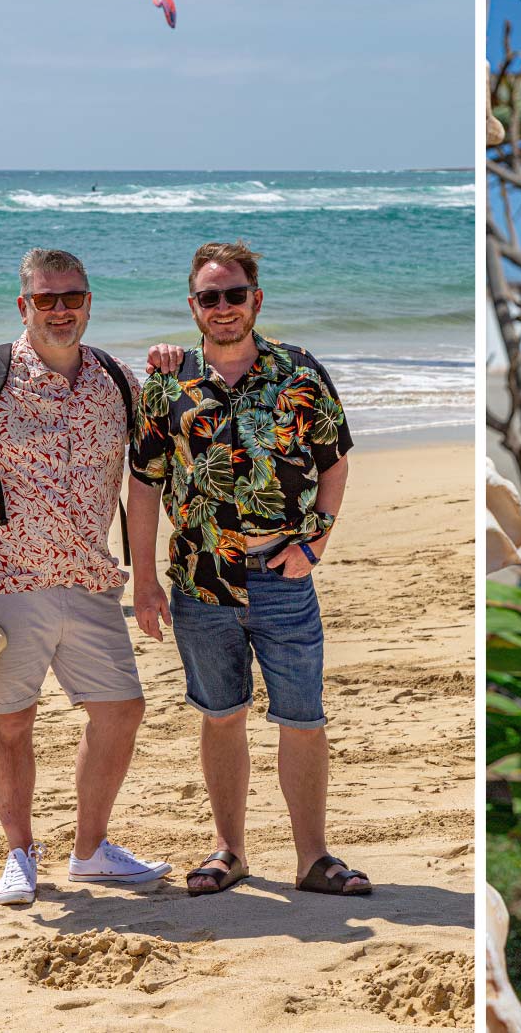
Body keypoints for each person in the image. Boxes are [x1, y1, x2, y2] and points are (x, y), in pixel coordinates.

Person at [0, 248, 171, 906]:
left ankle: (90, 850)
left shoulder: (118, 381)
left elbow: (148, 482)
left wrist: (146, 579)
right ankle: (19, 853)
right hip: (7, 581)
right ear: (23, 306)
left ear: (90, 302)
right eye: (47, 299)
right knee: (11, 723)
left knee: (122, 712)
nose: (61, 310)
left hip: (92, 580)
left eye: (73, 297)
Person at [127, 240, 367, 898]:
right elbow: (144, 483)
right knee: (222, 713)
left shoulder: (300, 372)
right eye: (211, 297)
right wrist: (143, 579)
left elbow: (336, 459)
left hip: (283, 575)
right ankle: (229, 850)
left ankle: (313, 856)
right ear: (193, 306)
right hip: (202, 577)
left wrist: (314, 542)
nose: (224, 307)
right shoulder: (166, 383)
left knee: (303, 716)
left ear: (256, 299)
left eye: (235, 295)